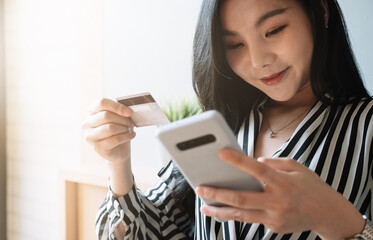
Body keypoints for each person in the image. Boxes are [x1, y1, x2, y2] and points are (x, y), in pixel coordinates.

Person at [82, 0, 373, 239]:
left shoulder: (366, 126)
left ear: (320, 10)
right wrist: (119, 163)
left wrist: (333, 218)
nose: (258, 61)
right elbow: (146, 231)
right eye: (235, 45)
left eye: (274, 30)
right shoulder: (222, 125)